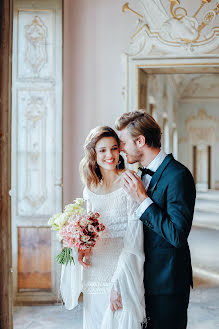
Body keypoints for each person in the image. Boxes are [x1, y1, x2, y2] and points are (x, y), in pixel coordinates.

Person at [115, 110, 196, 329]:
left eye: (123, 142)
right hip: (140, 278)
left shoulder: (178, 175)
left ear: (140, 141)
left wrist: (142, 199)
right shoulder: (138, 175)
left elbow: (177, 235)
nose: (120, 149)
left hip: (167, 282)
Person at [60, 126, 145, 329]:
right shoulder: (89, 189)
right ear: (93, 154)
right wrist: (81, 246)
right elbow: (91, 232)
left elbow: (135, 239)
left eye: (114, 148)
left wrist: (119, 283)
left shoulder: (130, 181)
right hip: (95, 272)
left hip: (121, 273)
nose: (110, 155)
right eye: (103, 150)